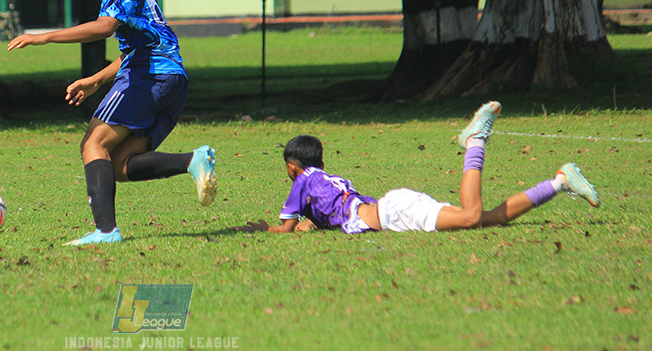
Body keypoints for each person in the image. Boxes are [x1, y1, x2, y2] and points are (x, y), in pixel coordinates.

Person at [7, 0, 216, 245]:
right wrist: (96, 80)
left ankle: (106, 232)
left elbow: (105, 28)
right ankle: (194, 160)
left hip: (149, 76)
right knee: (118, 164)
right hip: (170, 79)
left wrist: (43, 37)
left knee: (93, 144)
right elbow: (137, 47)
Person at [240, 101, 599, 235]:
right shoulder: (324, 180)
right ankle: (560, 181)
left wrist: (263, 228)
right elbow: (320, 220)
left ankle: (475, 141)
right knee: (489, 219)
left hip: (394, 214)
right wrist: (310, 225)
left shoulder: (302, 180)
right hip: (393, 206)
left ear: (293, 167)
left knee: (472, 216)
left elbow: (286, 228)